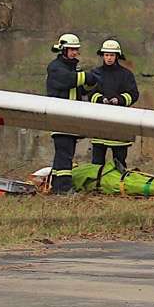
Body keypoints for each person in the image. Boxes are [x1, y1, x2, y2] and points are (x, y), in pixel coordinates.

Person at [44, 33, 94, 193]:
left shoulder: (73, 69)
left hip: (70, 118)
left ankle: (57, 185)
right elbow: (68, 80)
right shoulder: (55, 67)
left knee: (64, 153)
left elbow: (81, 89)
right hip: (60, 117)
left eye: (76, 49)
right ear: (63, 50)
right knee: (64, 153)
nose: (74, 52)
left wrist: (91, 83)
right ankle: (64, 188)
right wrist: (87, 76)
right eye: (71, 49)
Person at [87, 38, 139, 169]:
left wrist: (120, 100)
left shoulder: (126, 75)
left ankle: (119, 181)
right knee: (97, 163)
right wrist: (100, 99)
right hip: (100, 123)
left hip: (119, 123)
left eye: (111, 55)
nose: (109, 58)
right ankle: (96, 181)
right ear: (103, 56)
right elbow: (90, 93)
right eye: (106, 55)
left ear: (117, 56)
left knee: (119, 162)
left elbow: (134, 94)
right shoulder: (95, 73)